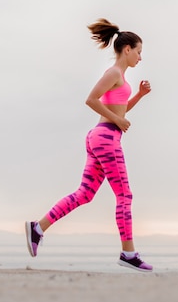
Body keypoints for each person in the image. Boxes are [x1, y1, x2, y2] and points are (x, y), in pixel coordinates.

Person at [25, 18, 153, 272]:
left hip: (100, 137)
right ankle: (128, 254)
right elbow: (91, 100)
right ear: (127, 49)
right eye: (139, 51)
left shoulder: (121, 79)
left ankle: (38, 228)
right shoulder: (114, 73)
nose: (140, 57)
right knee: (124, 195)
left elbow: (119, 108)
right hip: (106, 138)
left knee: (85, 194)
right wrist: (118, 120)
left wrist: (138, 96)